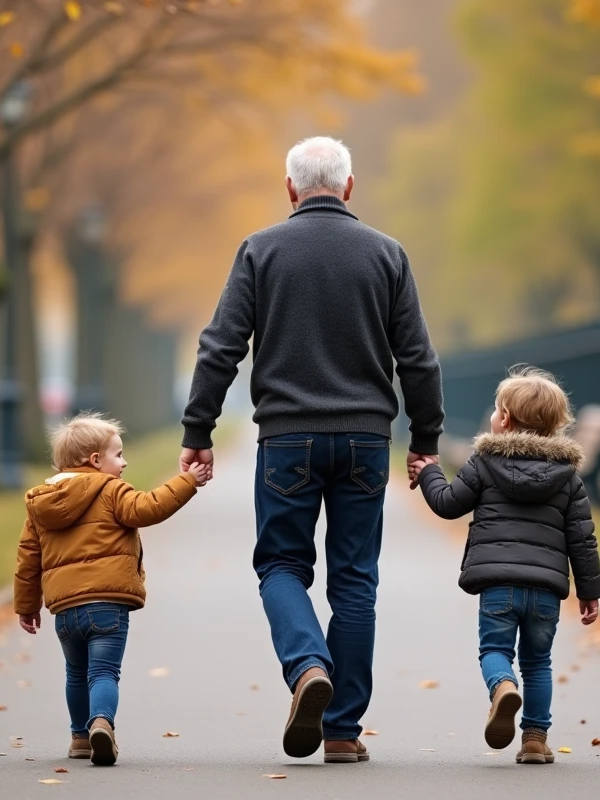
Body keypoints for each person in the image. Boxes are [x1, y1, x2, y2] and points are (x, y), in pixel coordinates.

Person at [179, 136, 444, 763]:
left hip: (287, 437)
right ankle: (344, 732)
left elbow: (221, 346)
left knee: (282, 567)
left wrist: (198, 430)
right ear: (349, 187)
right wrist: (425, 441)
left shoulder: (260, 251)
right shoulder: (387, 255)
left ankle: (305, 668)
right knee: (355, 581)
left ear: (291, 188)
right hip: (364, 439)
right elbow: (419, 360)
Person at [413, 366, 600, 764]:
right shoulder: (568, 477)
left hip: (498, 585)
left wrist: (429, 471)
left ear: (506, 421)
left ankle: (502, 687)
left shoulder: (483, 463)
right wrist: (589, 592)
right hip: (546, 591)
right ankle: (534, 740)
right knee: (538, 662)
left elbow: (448, 504)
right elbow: (582, 539)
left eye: (499, 410)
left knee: (494, 650)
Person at [13, 413, 209, 766]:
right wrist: (187, 482)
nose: (124, 462)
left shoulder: (39, 504)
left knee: (75, 672)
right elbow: (148, 508)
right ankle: (101, 722)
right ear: (95, 461)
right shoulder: (111, 489)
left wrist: (27, 606)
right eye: (118, 455)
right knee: (103, 672)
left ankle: (79, 738)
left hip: (65, 610)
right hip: (107, 605)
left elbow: (28, 558)